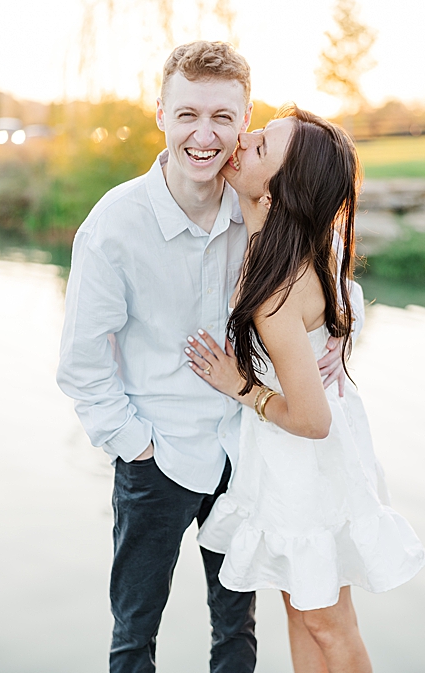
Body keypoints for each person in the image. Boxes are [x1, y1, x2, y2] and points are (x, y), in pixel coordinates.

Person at [56, 41, 361, 673]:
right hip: (156, 455)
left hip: (248, 452)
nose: (205, 134)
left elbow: (335, 276)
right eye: (188, 113)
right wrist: (135, 445)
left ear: (245, 118)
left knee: (236, 630)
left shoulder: (265, 202)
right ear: (160, 113)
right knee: (134, 631)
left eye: (223, 117)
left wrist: (340, 327)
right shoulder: (114, 226)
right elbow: (82, 366)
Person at [186, 106, 425, 673]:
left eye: (260, 146)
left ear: (278, 193)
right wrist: (340, 338)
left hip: (305, 459)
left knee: (325, 620)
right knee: (300, 607)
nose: (242, 142)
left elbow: (311, 419)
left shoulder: (277, 288)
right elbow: (348, 291)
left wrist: (240, 385)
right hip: (297, 457)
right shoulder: (292, 237)